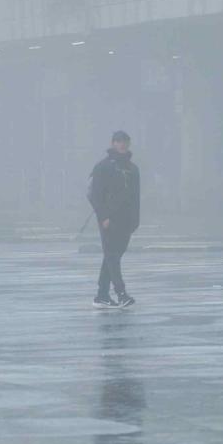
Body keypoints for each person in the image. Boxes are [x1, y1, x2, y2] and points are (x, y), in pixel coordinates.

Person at [87, 130, 141, 309]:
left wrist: (135, 220)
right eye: (118, 141)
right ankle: (121, 294)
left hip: (127, 220)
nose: (122, 144)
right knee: (112, 256)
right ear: (112, 143)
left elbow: (136, 197)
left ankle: (102, 295)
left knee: (113, 257)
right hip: (109, 219)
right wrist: (103, 217)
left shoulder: (133, 169)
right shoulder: (103, 166)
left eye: (125, 141)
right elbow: (94, 194)